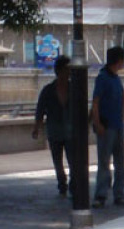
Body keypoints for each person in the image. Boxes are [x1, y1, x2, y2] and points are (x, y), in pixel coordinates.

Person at [91, 45, 124, 208]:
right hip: (106, 126)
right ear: (119, 61)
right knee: (104, 162)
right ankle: (101, 194)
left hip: (117, 125)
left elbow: (123, 100)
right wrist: (97, 123)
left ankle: (119, 193)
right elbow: (95, 102)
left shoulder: (116, 78)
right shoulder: (103, 78)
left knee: (121, 162)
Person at [31, 56, 73, 196]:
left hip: (70, 131)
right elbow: (40, 110)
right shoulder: (48, 90)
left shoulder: (74, 89)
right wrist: (36, 127)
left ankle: (73, 184)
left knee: (73, 160)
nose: (69, 72)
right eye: (67, 69)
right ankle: (62, 184)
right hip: (54, 131)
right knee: (58, 161)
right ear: (59, 70)